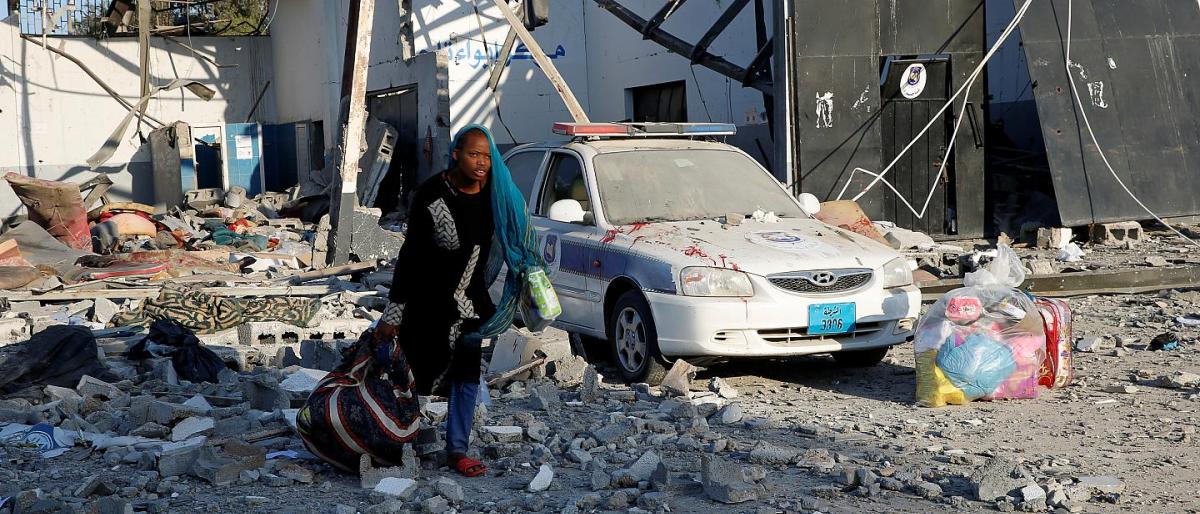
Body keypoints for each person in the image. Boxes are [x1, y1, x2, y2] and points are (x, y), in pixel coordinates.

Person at [372, 124, 544, 477]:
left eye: (487, 156)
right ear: (456, 154)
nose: (481, 162)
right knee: (413, 374)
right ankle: (394, 440)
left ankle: (457, 450)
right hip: (427, 302)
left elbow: (517, 236)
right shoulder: (431, 195)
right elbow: (411, 256)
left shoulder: (497, 195)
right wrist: (393, 312)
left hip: (470, 303)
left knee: (466, 375)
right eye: (473, 154)